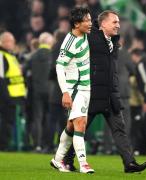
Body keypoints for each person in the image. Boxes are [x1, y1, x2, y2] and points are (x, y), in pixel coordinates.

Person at [63, 10, 146, 173]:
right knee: (80, 129)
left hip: (110, 94)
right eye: (114, 22)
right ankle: (66, 160)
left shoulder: (115, 42)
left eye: (118, 22)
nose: (118, 25)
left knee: (120, 130)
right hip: (92, 94)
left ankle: (129, 163)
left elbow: (111, 70)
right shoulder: (88, 37)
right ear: (103, 24)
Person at [50, 7, 94, 173]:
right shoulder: (69, 43)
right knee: (80, 124)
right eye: (87, 20)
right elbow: (59, 67)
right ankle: (84, 164)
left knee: (70, 127)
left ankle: (57, 159)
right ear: (77, 24)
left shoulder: (84, 35)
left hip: (85, 88)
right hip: (75, 88)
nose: (90, 23)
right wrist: (66, 93)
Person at [0, 32, 26, 150]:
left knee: (11, 122)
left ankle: (9, 144)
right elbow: (1, 79)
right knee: (6, 121)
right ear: (3, 42)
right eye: (10, 41)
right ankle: (3, 145)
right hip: (8, 96)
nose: (13, 43)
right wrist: (6, 96)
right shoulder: (2, 56)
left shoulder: (11, 56)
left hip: (17, 95)